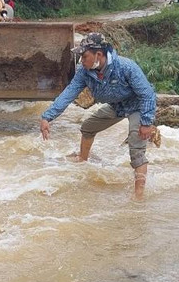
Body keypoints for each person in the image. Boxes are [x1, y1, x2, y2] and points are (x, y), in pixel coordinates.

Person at [39, 33, 157, 200]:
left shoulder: (125, 67)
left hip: (138, 106)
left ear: (98, 55)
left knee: (136, 149)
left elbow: (147, 94)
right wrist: (47, 117)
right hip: (117, 106)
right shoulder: (85, 72)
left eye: (84, 56)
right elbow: (69, 93)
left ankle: (138, 197)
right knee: (88, 127)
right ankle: (83, 158)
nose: (81, 60)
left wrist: (146, 122)